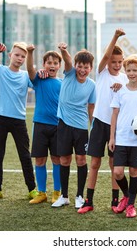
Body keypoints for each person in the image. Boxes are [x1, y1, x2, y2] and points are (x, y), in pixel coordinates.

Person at [78, 28, 128, 214]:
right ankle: (88, 200)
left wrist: (121, 87)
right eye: (113, 62)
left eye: (119, 62)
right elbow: (107, 55)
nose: (116, 65)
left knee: (114, 165)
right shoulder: (102, 73)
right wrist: (115, 36)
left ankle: (115, 201)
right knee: (94, 163)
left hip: (116, 127)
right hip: (99, 123)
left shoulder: (124, 78)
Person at [0, 42, 38, 201]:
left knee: (25, 156)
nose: (20, 58)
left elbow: (38, 83)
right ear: (10, 55)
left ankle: (32, 189)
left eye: (23, 57)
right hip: (0, 119)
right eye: (17, 55)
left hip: (19, 120)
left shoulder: (26, 75)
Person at [108, 54, 137, 218]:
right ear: (125, 71)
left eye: (135, 70)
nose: (132, 73)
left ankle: (130, 205)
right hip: (121, 138)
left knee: (134, 171)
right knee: (118, 172)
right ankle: (127, 196)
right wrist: (112, 137)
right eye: (129, 70)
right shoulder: (120, 91)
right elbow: (114, 114)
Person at [51, 43, 96, 209]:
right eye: (80, 66)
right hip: (63, 125)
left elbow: (91, 107)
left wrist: (93, 127)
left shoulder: (92, 85)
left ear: (91, 68)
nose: (82, 70)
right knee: (64, 160)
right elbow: (68, 61)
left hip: (81, 127)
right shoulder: (69, 74)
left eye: (86, 67)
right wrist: (63, 51)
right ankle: (64, 196)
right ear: (75, 66)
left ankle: (79, 195)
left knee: (81, 159)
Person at [26, 45, 62, 204]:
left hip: (57, 127)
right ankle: (41, 193)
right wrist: (30, 52)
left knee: (57, 160)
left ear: (59, 66)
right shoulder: (39, 80)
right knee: (39, 160)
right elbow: (29, 70)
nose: (52, 65)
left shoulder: (63, 83)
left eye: (55, 63)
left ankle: (57, 192)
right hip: (40, 125)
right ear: (44, 65)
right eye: (49, 62)